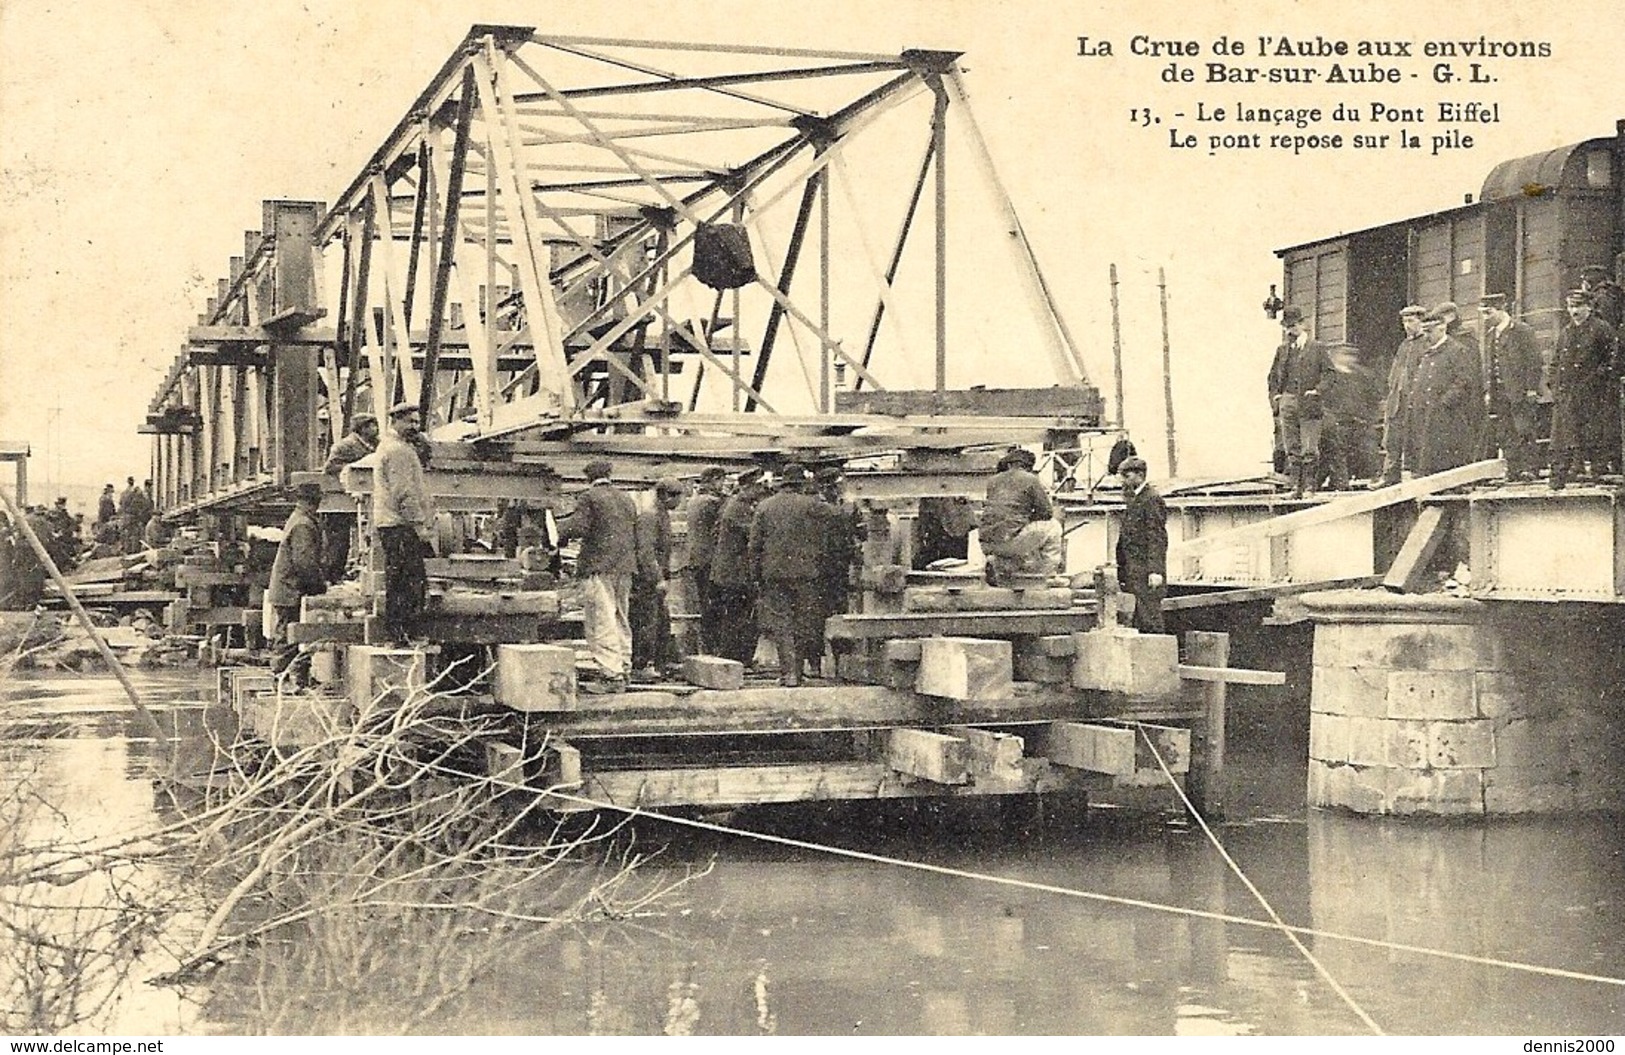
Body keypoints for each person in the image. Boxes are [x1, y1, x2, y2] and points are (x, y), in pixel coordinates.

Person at [558, 459, 638, 691]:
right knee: (621, 618)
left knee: (600, 620)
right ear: (609, 475)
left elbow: (579, 528)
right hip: (624, 567)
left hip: (598, 567)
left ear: (588, 478)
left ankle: (611, 677)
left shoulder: (589, 497)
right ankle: (624, 667)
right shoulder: (626, 498)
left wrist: (556, 532)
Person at [747, 465, 829, 686]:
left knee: (781, 623)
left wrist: (756, 575)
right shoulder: (813, 506)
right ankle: (799, 672)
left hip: (773, 574)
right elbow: (826, 536)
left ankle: (788, 674)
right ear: (801, 484)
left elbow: (754, 545)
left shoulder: (764, 507)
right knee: (803, 622)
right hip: (805, 574)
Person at [373, 402, 432, 644]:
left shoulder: (393, 447)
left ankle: (397, 633)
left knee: (399, 578)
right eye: (410, 422)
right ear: (395, 421)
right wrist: (419, 525)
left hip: (391, 523)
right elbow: (403, 492)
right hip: (400, 525)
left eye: (417, 422)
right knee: (408, 581)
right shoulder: (398, 451)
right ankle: (404, 633)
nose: (415, 427)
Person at [1549, 289, 1620, 488]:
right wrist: (1554, 384)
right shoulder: (1566, 332)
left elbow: (1612, 361)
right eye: (1571, 306)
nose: (1574, 311)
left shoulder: (1602, 329)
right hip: (1568, 392)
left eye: (1578, 306)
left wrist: (1597, 380)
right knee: (1566, 434)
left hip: (1593, 392)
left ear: (1589, 307)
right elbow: (1556, 362)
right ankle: (1570, 470)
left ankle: (1598, 470)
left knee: (1595, 432)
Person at [1405, 305, 1482, 476]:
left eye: (1430, 331)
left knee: (1448, 455)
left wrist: (1445, 402)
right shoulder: (1427, 352)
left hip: (1447, 413)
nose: (1426, 336)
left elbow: (1464, 380)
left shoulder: (1457, 350)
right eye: (1424, 332)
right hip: (1425, 411)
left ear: (1442, 328)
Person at [1266, 306, 1334, 496]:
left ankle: (1310, 487)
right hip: (1288, 403)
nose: (1290, 330)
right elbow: (1272, 377)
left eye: (1294, 326)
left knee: (1309, 448)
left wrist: (1317, 391)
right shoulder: (1282, 350)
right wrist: (1277, 399)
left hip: (1309, 404)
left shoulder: (1317, 348)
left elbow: (1330, 374)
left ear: (1303, 325)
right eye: (1287, 327)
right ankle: (1295, 487)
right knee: (1292, 448)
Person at [708, 467, 771, 665]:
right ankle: (734, 659)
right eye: (758, 487)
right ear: (747, 487)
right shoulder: (738, 509)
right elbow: (754, 537)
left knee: (739, 616)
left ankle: (738, 658)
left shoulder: (738, 504)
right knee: (738, 617)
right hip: (734, 574)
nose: (761, 491)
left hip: (732, 573)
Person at [265, 482, 327, 679]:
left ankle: (291, 678)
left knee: (288, 634)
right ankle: (282, 678)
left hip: (287, 587)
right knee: (289, 636)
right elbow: (304, 562)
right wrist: (320, 587)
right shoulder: (303, 524)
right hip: (290, 589)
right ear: (314, 503)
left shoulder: (298, 518)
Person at [1477, 293, 1542, 480]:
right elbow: (1489, 364)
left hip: (1519, 390)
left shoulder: (1521, 330)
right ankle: (1513, 469)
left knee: (1524, 429)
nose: (1485, 318)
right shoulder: (1491, 335)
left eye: (1488, 313)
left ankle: (1530, 468)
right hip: (1499, 392)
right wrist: (1489, 391)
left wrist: (1531, 388)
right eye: (1483, 313)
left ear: (1500, 310)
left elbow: (1534, 361)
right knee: (1506, 431)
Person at [978, 447, 1062, 584]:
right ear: (1028, 466)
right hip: (1010, 541)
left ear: (1009, 464)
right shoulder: (1030, 479)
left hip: (987, 544)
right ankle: (1047, 577)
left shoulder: (992, 481)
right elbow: (1047, 513)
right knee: (1053, 527)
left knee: (1013, 530)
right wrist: (1028, 518)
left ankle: (1000, 565)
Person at [631, 478, 686, 681]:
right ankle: (640, 665)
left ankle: (663, 663)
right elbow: (645, 552)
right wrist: (657, 578)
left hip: (655, 579)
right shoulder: (649, 517)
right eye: (675, 496)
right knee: (646, 622)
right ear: (664, 496)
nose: (678, 501)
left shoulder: (662, 516)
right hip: (646, 581)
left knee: (661, 622)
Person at [322, 412, 379, 582]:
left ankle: (358, 570)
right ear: (361, 429)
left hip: (368, 498)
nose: (375, 429)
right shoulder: (345, 446)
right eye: (371, 425)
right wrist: (356, 468)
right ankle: (333, 575)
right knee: (339, 540)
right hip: (340, 499)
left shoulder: (376, 445)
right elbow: (330, 467)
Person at [1114, 456, 1168, 634]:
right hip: (1133, 569)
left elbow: (1156, 537)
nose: (1123, 481)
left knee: (1149, 616)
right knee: (1139, 616)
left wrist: (1155, 571)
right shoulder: (1136, 499)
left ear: (1139, 475)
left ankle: (1156, 657)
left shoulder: (1151, 499)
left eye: (1126, 476)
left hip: (1145, 570)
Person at [1318, 344, 1381, 490]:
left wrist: (1370, 418)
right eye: (1344, 354)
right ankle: (1340, 485)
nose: (1349, 358)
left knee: (1369, 452)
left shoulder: (1363, 375)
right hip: (1338, 423)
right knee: (1336, 455)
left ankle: (1375, 482)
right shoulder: (1328, 376)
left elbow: (1375, 398)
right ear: (1334, 356)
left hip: (1361, 422)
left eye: (1351, 355)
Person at [680, 467, 729, 654]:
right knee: (713, 606)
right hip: (709, 560)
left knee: (705, 604)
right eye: (721, 481)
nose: (722, 485)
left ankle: (708, 647)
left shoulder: (694, 500)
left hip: (697, 559)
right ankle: (713, 648)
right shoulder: (711, 502)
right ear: (714, 480)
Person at [1378, 306, 1429, 485]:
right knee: (1392, 439)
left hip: (1415, 399)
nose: (1407, 325)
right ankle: (1390, 476)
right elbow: (1395, 372)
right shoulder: (1404, 345)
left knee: (1417, 437)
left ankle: (1418, 474)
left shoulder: (1426, 343)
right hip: (1398, 400)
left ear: (1421, 321)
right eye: (1404, 321)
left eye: (1411, 321)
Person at [1580, 265, 1623, 330]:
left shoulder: (1602, 296)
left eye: (1585, 279)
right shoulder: (1603, 294)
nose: (1583, 283)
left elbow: (1607, 322)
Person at [117, 476, 152, 554]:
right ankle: (133, 551)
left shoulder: (124, 493)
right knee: (135, 535)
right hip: (134, 517)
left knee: (129, 535)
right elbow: (140, 506)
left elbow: (121, 504)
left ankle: (128, 551)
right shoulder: (137, 493)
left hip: (126, 517)